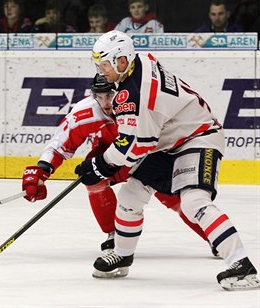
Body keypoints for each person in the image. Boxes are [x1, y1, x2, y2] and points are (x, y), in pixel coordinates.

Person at [75, 30, 259, 290]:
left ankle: (242, 265)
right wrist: (105, 165)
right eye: (99, 65)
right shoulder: (142, 61)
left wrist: (99, 166)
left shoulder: (134, 94)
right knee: (130, 196)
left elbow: (135, 146)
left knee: (194, 202)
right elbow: (143, 140)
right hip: (170, 140)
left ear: (122, 61)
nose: (102, 71)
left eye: (105, 65)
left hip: (198, 138)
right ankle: (123, 253)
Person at [22, 73, 214, 257]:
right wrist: (42, 170)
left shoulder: (139, 103)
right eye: (100, 96)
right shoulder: (86, 111)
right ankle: (114, 234)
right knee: (92, 176)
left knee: (173, 198)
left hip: (151, 154)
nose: (105, 103)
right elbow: (59, 144)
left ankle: (213, 237)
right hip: (112, 160)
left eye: (110, 95)